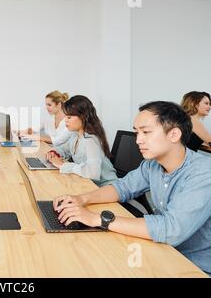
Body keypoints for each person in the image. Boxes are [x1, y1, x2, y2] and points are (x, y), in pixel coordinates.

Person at [52, 101, 211, 276]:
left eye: (146, 132)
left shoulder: (204, 172)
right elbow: (122, 187)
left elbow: (171, 228)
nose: (138, 140)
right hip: (162, 249)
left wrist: (98, 219)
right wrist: (82, 199)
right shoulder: (152, 165)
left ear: (174, 134)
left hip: (194, 265)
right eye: (137, 132)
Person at [45, 95, 117, 187]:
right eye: (65, 116)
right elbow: (64, 149)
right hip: (90, 184)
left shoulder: (90, 139)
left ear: (83, 117)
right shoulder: (75, 135)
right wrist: (53, 152)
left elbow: (93, 172)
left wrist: (63, 165)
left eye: (69, 117)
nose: (65, 120)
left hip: (106, 187)